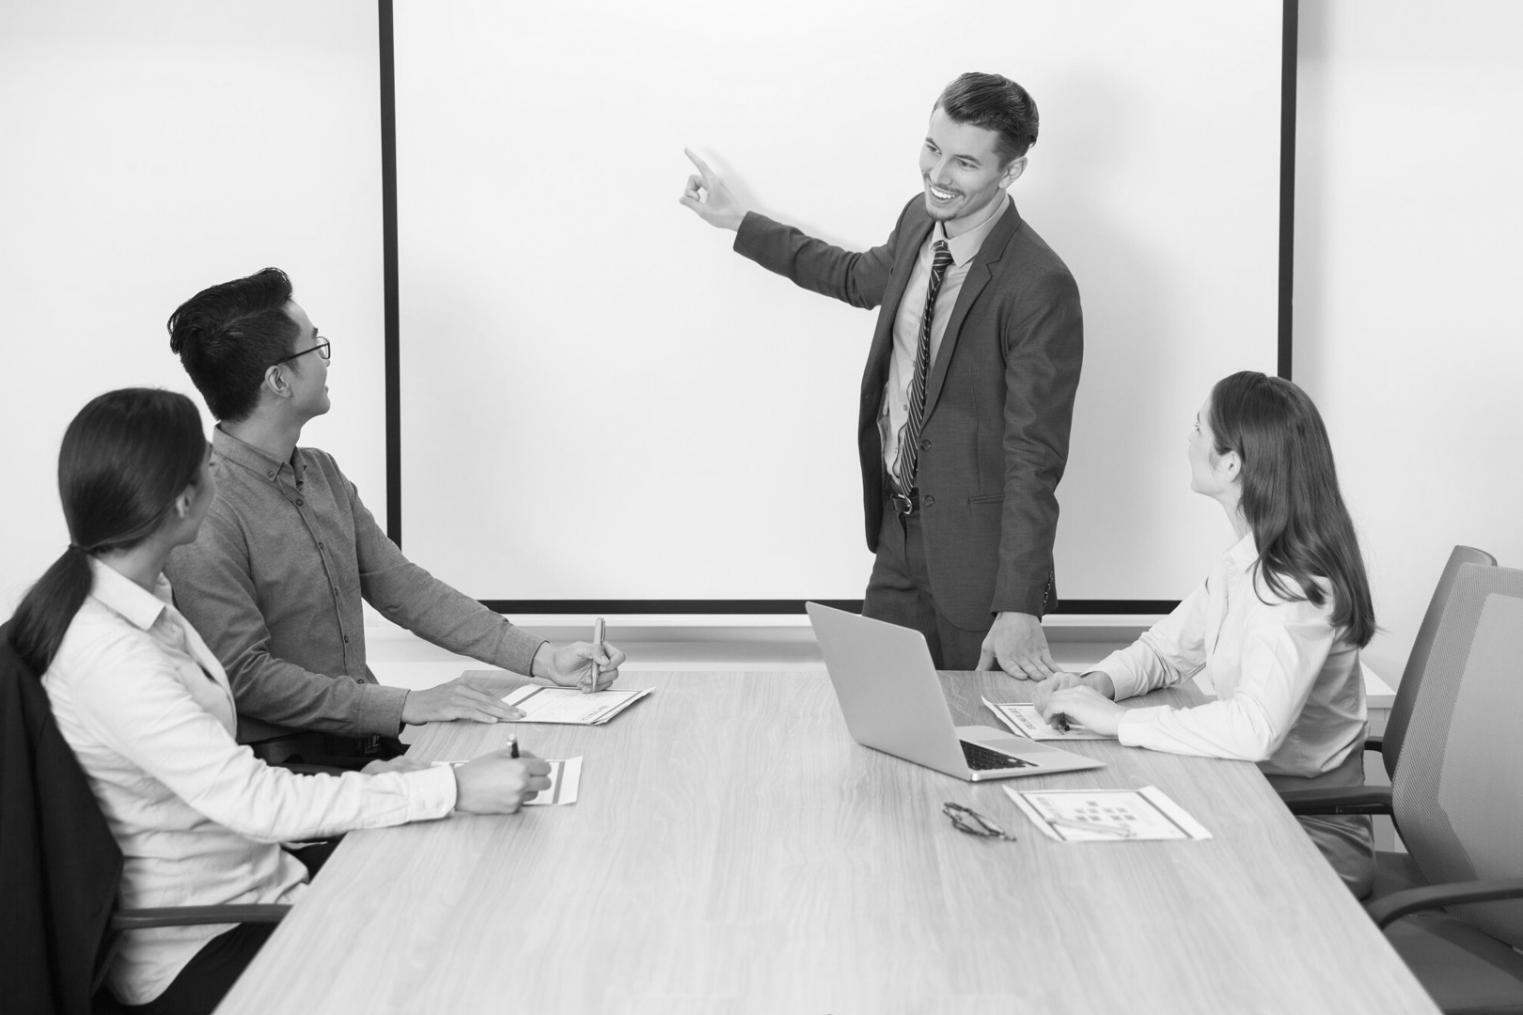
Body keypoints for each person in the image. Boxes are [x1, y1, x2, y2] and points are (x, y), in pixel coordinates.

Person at [12, 388, 552, 1013]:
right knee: (450, 945)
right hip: (209, 932)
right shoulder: (110, 652)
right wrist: (453, 787)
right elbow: (251, 801)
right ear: (185, 499)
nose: (218, 467)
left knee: (462, 881)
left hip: (264, 881)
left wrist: (377, 784)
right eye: (205, 463)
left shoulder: (146, 600)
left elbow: (221, 779)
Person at [680, 71, 1082, 676]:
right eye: (932, 148)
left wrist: (1019, 604)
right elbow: (851, 276)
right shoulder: (919, 224)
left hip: (978, 564)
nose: (937, 175)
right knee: (884, 715)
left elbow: (1034, 455)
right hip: (899, 531)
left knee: (979, 741)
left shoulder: (1038, 285)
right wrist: (738, 222)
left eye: (964, 164)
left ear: (1011, 171)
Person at [163, 268, 625, 769]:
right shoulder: (208, 507)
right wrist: (407, 703)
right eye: (314, 346)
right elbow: (245, 676)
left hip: (373, 750)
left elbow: (405, 589)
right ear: (278, 380)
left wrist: (543, 658)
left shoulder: (320, 472)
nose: (324, 359)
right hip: (292, 772)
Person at [1032, 371, 1376, 896]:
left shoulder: (1297, 588)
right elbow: (1165, 652)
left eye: (1198, 428)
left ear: (1231, 462)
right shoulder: (1246, 561)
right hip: (1249, 799)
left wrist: (1119, 722)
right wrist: (1097, 685)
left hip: (1306, 832)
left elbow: (1256, 726)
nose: (1188, 440)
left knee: (1129, 878)